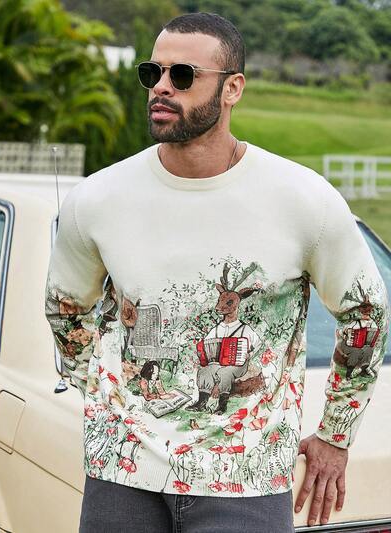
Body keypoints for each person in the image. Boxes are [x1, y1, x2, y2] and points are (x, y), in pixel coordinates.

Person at [44, 12, 390, 533]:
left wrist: (335, 435)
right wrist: (107, 397)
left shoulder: (303, 199)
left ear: (233, 89)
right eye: (152, 73)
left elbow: (365, 314)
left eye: (182, 75)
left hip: (245, 482)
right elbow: (65, 307)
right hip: (122, 476)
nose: (161, 87)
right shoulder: (98, 197)